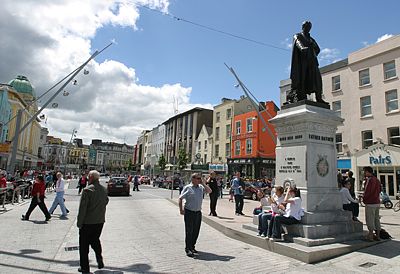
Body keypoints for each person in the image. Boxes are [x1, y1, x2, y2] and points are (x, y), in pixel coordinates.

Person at [77, 170, 109, 273]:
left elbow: (83, 208)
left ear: (91, 178)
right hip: (100, 221)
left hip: (88, 222)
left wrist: (79, 223)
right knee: (95, 240)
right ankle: (99, 257)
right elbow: (106, 201)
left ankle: (85, 268)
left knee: (84, 245)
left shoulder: (87, 190)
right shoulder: (104, 189)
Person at [288, 21, 327, 104]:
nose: (308, 28)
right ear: (303, 27)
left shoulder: (311, 39)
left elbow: (318, 49)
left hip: (312, 61)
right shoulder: (298, 35)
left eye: (309, 27)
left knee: (317, 79)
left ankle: (318, 97)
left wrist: (313, 53)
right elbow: (297, 42)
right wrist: (302, 48)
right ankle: (300, 95)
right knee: (302, 79)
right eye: (306, 26)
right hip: (302, 62)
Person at [178, 173, 212, 257]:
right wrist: (181, 209)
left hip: (197, 212)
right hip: (189, 212)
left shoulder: (201, 188)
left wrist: (203, 183)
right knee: (189, 231)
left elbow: (209, 191)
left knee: (196, 231)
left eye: (200, 178)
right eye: (197, 178)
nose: (199, 180)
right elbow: (180, 198)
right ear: (193, 179)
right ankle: (188, 248)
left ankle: (192, 246)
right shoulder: (188, 188)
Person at [363, 166, 381, 241]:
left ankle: (370, 236)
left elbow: (367, 191)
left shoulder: (369, 180)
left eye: (365, 172)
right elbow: (380, 189)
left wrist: (364, 199)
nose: (364, 173)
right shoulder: (377, 180)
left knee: (370, 219)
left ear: (367, 172)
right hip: (377, 201)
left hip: (370, 202)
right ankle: (378, 236)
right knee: (376, 219)